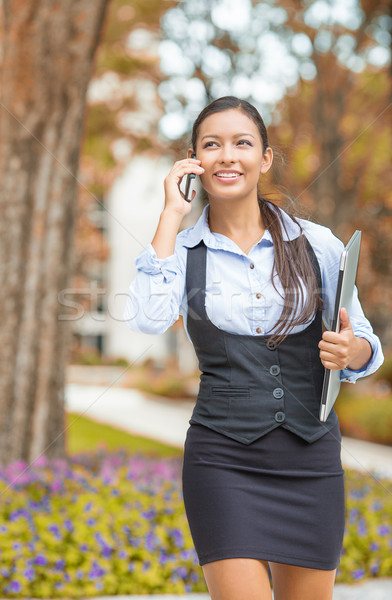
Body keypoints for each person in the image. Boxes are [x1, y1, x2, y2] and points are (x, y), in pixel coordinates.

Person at [123, 96, 384, 600]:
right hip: (223, 461)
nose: (228, 156)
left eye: (242, 143)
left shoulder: (319, 245)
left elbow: (366, 343)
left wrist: (350, 352)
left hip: (312, 459)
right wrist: (170, 215)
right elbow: (147, 318)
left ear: (264, 158)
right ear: (195, 160)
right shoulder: (179, 250)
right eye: (211, 144)